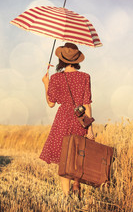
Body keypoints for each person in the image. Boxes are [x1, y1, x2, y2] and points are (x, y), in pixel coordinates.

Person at [40, 42, 94, 198]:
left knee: (64, 158)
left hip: (63, 118)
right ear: (77, 60)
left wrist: (46, 83)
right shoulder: (85, 77)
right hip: (80, 119)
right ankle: (76, 183)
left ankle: (66, 196)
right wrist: (90, 128)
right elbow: (87, 104)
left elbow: (51, 103)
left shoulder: (56, 78)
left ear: (61, 59)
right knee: (78, 154)